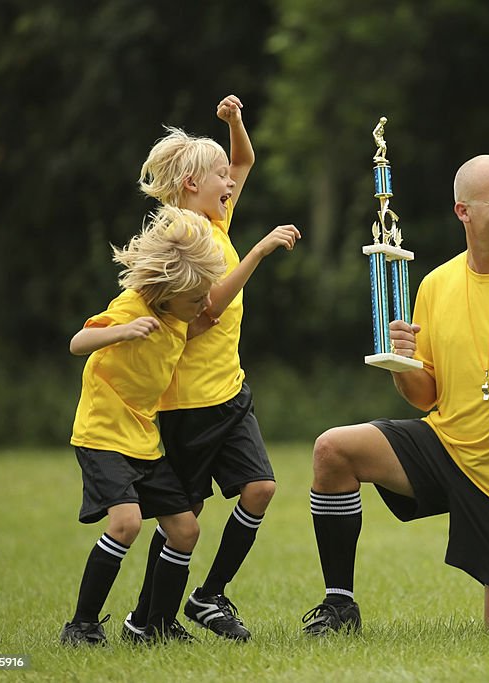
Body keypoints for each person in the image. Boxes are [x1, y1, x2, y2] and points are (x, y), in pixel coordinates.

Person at [301, 154, 489, 635]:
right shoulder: (436, 284)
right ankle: (339, 606)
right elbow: (427, 397)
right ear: (463, 212)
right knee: (333, 449)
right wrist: (402, 364)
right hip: (444, 447)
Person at [125, 95, 300, 642]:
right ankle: (146, 621)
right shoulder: (185, 233)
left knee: (261, 488)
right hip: (185, 405)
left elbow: (244, 161)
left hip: (230, 394)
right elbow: (207, 310)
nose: (231, 181)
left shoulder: (215, 216)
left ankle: (208, 595)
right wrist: (259, 253)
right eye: (218, 176)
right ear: (188, 187)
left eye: (227, 176)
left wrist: (236, 124)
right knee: (187, 519)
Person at [61, 208, 227, 645]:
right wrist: (122, 332)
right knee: (127, 524)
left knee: (186, 529)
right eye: (196, 301)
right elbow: (78, 343)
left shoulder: (176, 317)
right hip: (103, 435)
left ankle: (152, 628)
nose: (202, 306)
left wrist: (198, 324)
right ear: (167, 294)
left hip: (143, 441)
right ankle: (81, 626)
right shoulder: (132, 306)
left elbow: (175, 337)